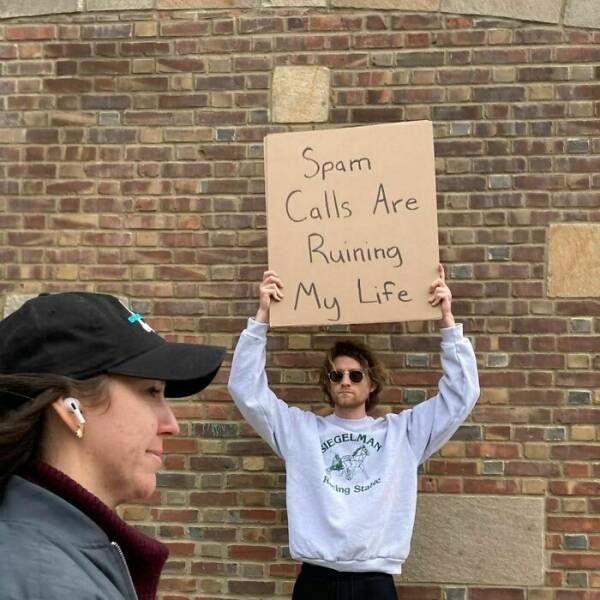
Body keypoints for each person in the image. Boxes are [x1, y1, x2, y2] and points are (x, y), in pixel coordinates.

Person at [228, 266, 480, 600]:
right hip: (316, 581)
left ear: (372, 382)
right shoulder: (300, 431)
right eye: (337, 376)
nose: (345, 381)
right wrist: (261, 317)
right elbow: (246, 390)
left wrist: (448, 320)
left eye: (355, 375)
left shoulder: (401, 434)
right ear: (328, 384)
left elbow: (461, 395)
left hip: (374, 582)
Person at [0, 292, 225, 600]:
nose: (171, 424)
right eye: (150, 392)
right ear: (71, 409)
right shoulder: (48, 581)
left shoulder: (58, 553)